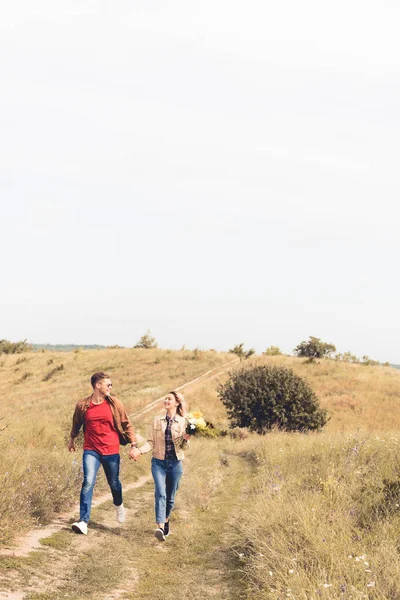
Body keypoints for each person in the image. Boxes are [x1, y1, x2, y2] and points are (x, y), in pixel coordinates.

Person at [68, 371, 138, 535]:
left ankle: (119, 505)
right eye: (108, 384)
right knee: (88, 481)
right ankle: (83, 521)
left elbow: (127, 424)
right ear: (97, 385)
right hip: (91, 449)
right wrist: (72, 439)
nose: (111, 387)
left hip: (111, 450)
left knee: (114, 483)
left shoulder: (115, 404)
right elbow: (76, 423)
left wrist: (134, 444)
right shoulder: (83, 405)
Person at [130, 390, 190, 541]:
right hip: (158, 462)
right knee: (160, 493)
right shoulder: (157, 420)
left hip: (175, 463)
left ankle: (166, 519)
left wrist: (187, 438)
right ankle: (160, 528)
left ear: (177, 402)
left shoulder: (184, 422)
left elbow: (184, 447)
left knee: (170, 497)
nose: (166, 400)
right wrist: (139, 451)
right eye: (165, 398)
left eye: (169, 399)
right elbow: (151, 443)